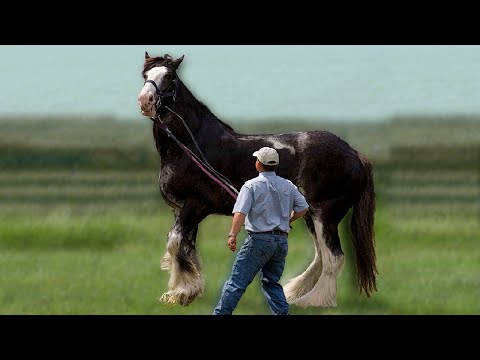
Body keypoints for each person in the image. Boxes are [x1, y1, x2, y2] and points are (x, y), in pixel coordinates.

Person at [213, 147, 309, 315]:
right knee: (272, 283)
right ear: (275, 165)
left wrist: (232, 235)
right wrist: (287, 220)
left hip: (259, 241)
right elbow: (303, 208)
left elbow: (240, 214)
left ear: (258, 164)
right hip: (281, 242)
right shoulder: (288, 185)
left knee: (236, 283)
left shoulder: (251, 186)